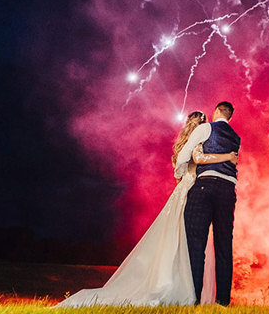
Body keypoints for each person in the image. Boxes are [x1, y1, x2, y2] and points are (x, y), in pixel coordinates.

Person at [56, 110, 237, 307]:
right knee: (191, 243)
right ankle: (189, 292)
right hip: (193, 189)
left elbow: (179, 168)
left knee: (182, 243)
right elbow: (198, 160)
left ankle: (182, 287)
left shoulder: (187, 143)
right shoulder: (199, 143)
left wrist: (181, 177)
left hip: (187, 188)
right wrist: (227, 157)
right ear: (202, 126)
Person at [181, 101, 240, 306]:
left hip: (205, 186)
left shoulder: (206, 128)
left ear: (215, 112)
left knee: (196, 244)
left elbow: (185, 154)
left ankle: (193, 298)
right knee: (224, 245)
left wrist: (181, 175)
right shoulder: (236, 137)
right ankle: (223, 300)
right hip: (228, 190)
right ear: (230, 117)